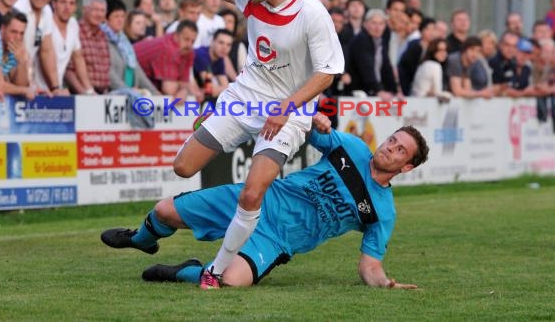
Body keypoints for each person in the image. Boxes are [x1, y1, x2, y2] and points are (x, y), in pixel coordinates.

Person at [175, 0, 344, 289]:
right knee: (184, 167)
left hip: (289, 111)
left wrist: (287, 107)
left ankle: (216, 271)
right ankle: (238, 220)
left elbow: (327, 73)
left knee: (252, 194)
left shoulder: (311, 11)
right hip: (244, 99)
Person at [101, 114, 428, 290]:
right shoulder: (351, 148)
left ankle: (182, 272)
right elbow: (304, 127)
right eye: (392, 140)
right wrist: (316, 120)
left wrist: (384, 283)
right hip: (257, 196)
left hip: (277, 239)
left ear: (407, 166)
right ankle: (140, 239)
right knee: (163, 211)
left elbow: (369, 265)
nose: (389, 148)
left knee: (230, 281)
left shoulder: (382, 212)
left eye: (400, 151)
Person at [101, 0, 159, 95]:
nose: (120, 20)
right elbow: (108, 73)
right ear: (106, 18)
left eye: (122, 16)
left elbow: (137, 70)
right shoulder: (101, 39)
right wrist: (128, 91)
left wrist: (156, 94)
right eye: (116, 16)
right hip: (112, 97)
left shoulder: (124, 41)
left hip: (131, 95)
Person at [45, 0, 93, 94]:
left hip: (57, 90)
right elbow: (45, 55)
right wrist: (55, 87)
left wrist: (89, 90)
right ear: (54, 3)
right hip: (42, 89)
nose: (67, 7)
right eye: (63, 2)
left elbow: (78, 58)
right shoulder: (47, 23)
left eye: (71, 3)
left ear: (76, 7)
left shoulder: (73, 24)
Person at [133, 20, 197, 98]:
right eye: (186, 39)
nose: (189, 45)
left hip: (144, 80)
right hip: (126, 74)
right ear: (176, 36)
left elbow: (185, 83)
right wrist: (184, 88)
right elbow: (169, 90)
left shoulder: (187, 51)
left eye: (193, 41)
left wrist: (184, 90)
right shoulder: (167, 48)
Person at [0, 10, 40, 100]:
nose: (18, 37)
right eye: (14, 32)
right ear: (2, 29)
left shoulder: (13, 47)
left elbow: (19, 84)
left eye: (21, 33)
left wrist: (22, 62)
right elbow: (0, 86)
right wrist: (25, 90)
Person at [65, 0, 110, 95]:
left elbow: (106, 71)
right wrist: (85, 93)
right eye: (95, 10)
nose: (98, 14)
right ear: (84, 9)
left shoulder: (103, 35)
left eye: (102, 11)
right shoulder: (75, 31)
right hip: (81, 94)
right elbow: (69, 71)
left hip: (102, 95)